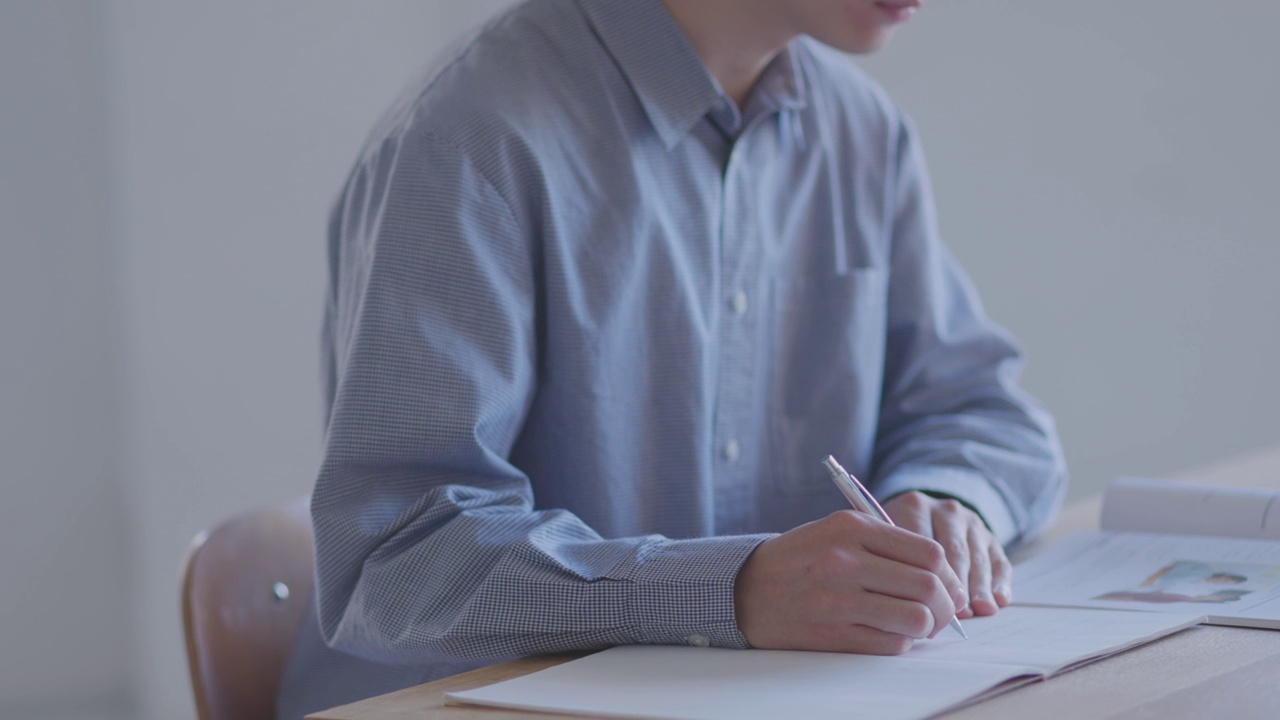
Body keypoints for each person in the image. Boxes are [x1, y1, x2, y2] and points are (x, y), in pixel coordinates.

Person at [277, 0, 1067, 717]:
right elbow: (397, 557)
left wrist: (943, 499)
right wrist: (730, 593)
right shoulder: (469, 137)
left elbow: (987, 413)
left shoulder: (863, 132)